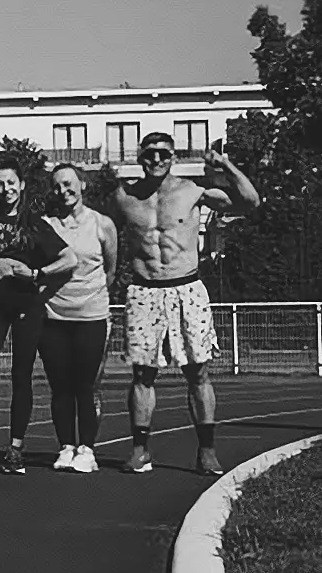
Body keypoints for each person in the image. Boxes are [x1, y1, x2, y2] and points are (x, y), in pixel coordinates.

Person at [108, 134, 260, 474]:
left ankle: (207, 451)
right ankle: (140, 450)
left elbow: (250, 202)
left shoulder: (193, 191)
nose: (156, 160)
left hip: (186, 289)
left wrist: (225, 165)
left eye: (163, 154)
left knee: (198, 372)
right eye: (150, 154)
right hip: (144, 290)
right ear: (140, 157)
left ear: (173, 157)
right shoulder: (123, 196)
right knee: (142, 374)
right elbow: (104, 232)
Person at [0, 159, 76, 476]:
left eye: (11, 182)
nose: (5, 188)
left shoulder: (33, 223)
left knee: (22, 376)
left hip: (25, 304)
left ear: (21, 185)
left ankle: (15, 449)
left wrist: (38, 273)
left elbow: (69, 259)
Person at [41, 164, 120, 473]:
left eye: (69, 183)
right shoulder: (46, 225)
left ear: (83, 185)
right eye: (57, 186)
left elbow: (110, 270)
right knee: (60, 387)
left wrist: (89, 297)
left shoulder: (103, 224)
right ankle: (66, 446)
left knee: (85, 386)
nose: (63, 191)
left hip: (91, 317)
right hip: (53, 317)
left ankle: (87, 448)